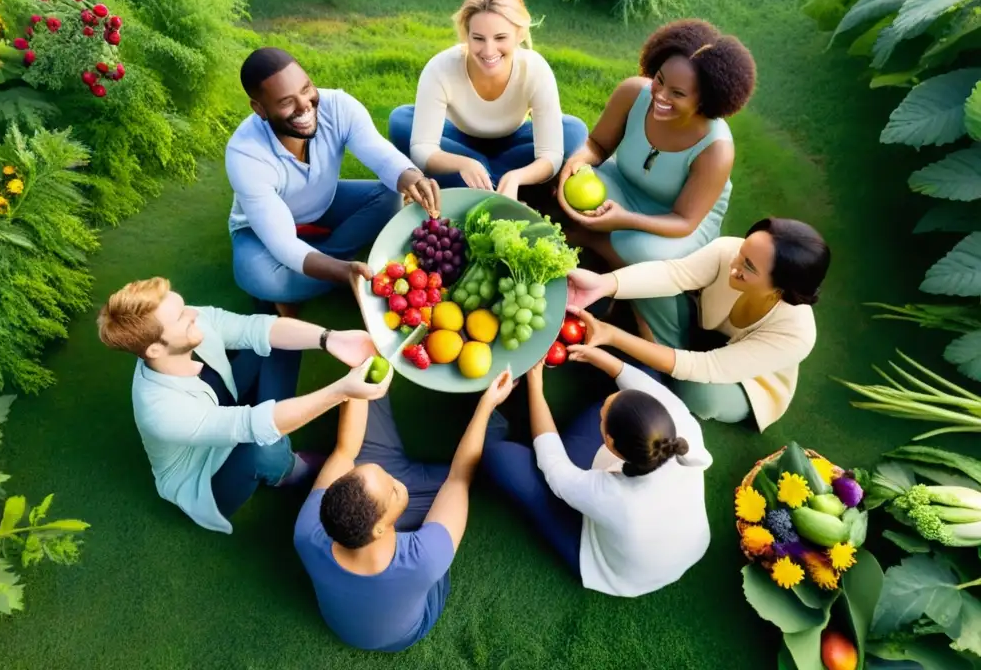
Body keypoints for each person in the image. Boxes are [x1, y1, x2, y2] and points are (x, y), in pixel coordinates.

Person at [96, 276, 387, 534]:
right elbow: (250, 426)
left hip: (228, 407)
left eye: (184, 306)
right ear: (155, 349)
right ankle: (289, 471)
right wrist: (341, 391)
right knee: (263, 448)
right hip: (208, 475)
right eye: (182, 317)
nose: (195, 313)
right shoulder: (161, 411)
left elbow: (254, 329)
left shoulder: (190, 326)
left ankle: (281, 435)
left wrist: (330, 339)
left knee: (280, 342)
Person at [294, 370, 515, 652]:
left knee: (367, 393)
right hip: (404, 634)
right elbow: (459, 476)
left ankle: (370, 383)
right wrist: (486, 405)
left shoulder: (307, 531)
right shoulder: (425, 559)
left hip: (364, 555)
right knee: (484, 459)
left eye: (383, 475)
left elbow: (344, 452)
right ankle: (497, 414)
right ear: (380, 527)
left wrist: (359, 369)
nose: (395, 480)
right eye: (394, 489)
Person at [227, 46, 442, 316]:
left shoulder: (338, 107)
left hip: (324, 202)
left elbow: (380, 154)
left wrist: (412, 177)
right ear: (260, 108)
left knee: (391, 196)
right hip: (257, 230)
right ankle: (332, 269)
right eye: (286, 102)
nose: (304, 106)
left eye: (306, 89)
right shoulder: (245, 153)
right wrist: (342, 271)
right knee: (263, 278)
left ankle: (317, 268)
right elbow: (281, 242)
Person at [565, 218, 831, 431]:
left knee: (701, 395)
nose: (734, 264)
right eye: (742, 251)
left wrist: (613, 335)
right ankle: (658, 357)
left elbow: (707, 368)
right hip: (698, 333)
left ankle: (656, 355)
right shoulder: (729, 252)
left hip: (744, 380)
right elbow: (673, 274)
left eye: (748, 267)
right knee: (648, 285)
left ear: (781, 289)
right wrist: (605, 284)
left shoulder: (797, 336)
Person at [482, 352, 712, 598]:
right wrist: (596, 355)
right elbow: (636, 380)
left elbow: (555, 467)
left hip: (612, 566)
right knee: (648, 373)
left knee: (500, 459)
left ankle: (490, 420)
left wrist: (535, 385)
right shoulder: (681, 425)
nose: (603, 411)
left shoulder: (614, 497)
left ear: (611, 443)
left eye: (603, 416)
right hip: (680, 541)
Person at [556, 19, 756, 281]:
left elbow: (684, 221)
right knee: (573, 176)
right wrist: (577, 161)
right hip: (626, 184)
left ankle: (595, 243)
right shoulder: (632, 92)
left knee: (640, 250)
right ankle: (605, 240)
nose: (660, 96)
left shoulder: (716, 149)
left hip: (676, 222)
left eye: (678, 93)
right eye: (659, 80)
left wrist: (624, 220)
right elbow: (597, 145)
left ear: (704, 100)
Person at [388, 0, 588, 202]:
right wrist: (464, 163)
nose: (489, 51)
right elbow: (422, 149)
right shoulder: (440, 68)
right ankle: (496, 184)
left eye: (501, 37)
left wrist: (517, 177)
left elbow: (550, 155)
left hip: (514, 144)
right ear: (466, 34)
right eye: (478, 38)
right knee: (401, 120)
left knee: (573, 130)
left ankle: (483, 184)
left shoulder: (535, 70)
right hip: (458, 142)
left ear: (519, 34)